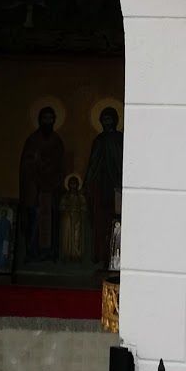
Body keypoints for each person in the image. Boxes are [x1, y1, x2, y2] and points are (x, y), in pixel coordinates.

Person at [18, 105, 66, 262]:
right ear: (40, 120)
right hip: (35, 189)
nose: (48, 121)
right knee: (34, 220)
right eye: (45, 118)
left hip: (51, 190)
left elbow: (60, 165)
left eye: (51, 118)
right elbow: (27, 164)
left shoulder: (57, 141)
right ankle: (32, 252)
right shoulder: (32, 140)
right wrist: (38, 167)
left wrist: (53, 176)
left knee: (51, 221)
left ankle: (50, 252)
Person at [84, 106, 123, 268]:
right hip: (100, 187)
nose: (106, 122)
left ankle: (115, 258)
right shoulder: (99, 140)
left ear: (115, 120)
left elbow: (123, 162)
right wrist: (87, 184)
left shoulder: (120, 139)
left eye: (109, 119)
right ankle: (100, 255)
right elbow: (93, 165)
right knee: (100, 223)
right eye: (104, 119)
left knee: (116, 222)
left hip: (117, 188)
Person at [59, 175, 88, 263]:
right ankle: (67, 255)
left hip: (77, 219)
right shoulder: (65, 197)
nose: (73, 186)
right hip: (67, 219)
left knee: (77, 237)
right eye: (71, 184)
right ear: (68, 185)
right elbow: (61, 207)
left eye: (74, 184)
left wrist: (79, 212)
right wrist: (66, 211)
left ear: (78, 185)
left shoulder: (80, 197)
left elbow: (84, 207)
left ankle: (76, 255)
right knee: (67, 236)